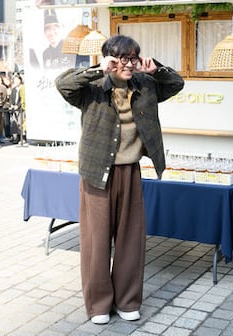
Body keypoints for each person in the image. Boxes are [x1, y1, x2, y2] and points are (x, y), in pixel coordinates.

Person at [55, 35, 184, 325]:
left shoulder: (145, 84)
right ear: (110, 59)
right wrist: (97, 69)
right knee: (96, 241)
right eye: (122, 58)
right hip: (97, 172)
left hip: (130, 171)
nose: (128, 64)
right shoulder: (91, 87)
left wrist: (156, 69)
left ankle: (127, 300)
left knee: (130, 239)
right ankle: (99, 304)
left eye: (133, 58)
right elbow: (63, 84)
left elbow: (176, 83)